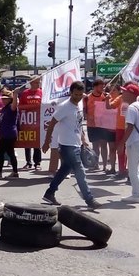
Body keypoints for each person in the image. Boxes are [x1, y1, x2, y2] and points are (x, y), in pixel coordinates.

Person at [41, 81, 101, 209]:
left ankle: (49, 193)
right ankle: (89, 199)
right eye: (75, 94)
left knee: (64, 171)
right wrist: (47, 142)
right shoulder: (64, 107)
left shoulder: (78, 105)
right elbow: (51, 124)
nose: (78, 97)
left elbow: (78, 124)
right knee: (80, 171)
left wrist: (83, 138)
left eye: (80, 94)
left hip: (76, 143)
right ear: (70, 93)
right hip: (67, 145)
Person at [117, 83, 139, 203]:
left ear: (131, 94)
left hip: (135, 141)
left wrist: (121, 144)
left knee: (131, 169)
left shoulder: (131, 108)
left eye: (125, 91)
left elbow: (129, 127)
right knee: (134, 167)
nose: (122, 93)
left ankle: (136, 195)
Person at [0, 88, 20, 180]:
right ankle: (15, 172)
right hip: (5, 133)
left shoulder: (11, 107)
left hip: (9, 133)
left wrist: (15, 94)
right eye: (2, 98)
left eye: (5, 98)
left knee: (0, 152)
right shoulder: (4, 108)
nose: (3, 100)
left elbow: (15, 105)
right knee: (10, 153)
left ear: (9, 99)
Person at [84, 78, 110, 172]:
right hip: (92, 125)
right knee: (95, 145)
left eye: (103, 86)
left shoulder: (106, 96)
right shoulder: (87, 97)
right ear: (95, 87)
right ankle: (95, 164)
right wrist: (87, 116)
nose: (103, 88)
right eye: (100, 86)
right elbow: (84, 110)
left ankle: (104, 166)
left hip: (103, 124)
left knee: (104, 144)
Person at [19, 77, 43, 170]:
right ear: (31, 83)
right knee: (27, 142)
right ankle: (28, 162)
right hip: (27, 121)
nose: (38, 84)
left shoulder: (41, 92)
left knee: (37, 143)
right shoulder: (25, 93)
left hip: (38, 121)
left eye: (39, 82)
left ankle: (37, 163)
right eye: (36, 82)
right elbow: (20, 106)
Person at [105, 83, 128, 179]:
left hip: (132, 128)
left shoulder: (137, 100)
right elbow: (109, 106)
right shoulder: (120, 98)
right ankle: (121, 170)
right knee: (120, 149)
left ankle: (130, 171)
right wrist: (107, 100)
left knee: (131, 150)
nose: (123, 91)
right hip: (120, 127)